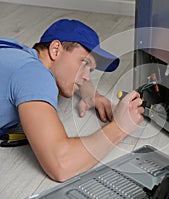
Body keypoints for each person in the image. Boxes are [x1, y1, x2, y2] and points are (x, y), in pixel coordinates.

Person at [0, 19, 144, 182]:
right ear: (55, 49)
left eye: (90, 70)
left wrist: (90, 93)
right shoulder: (35, 74)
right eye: (84, 63)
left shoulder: (15, 52)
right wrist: (120, 127)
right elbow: (62, 165)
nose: (87, 76)